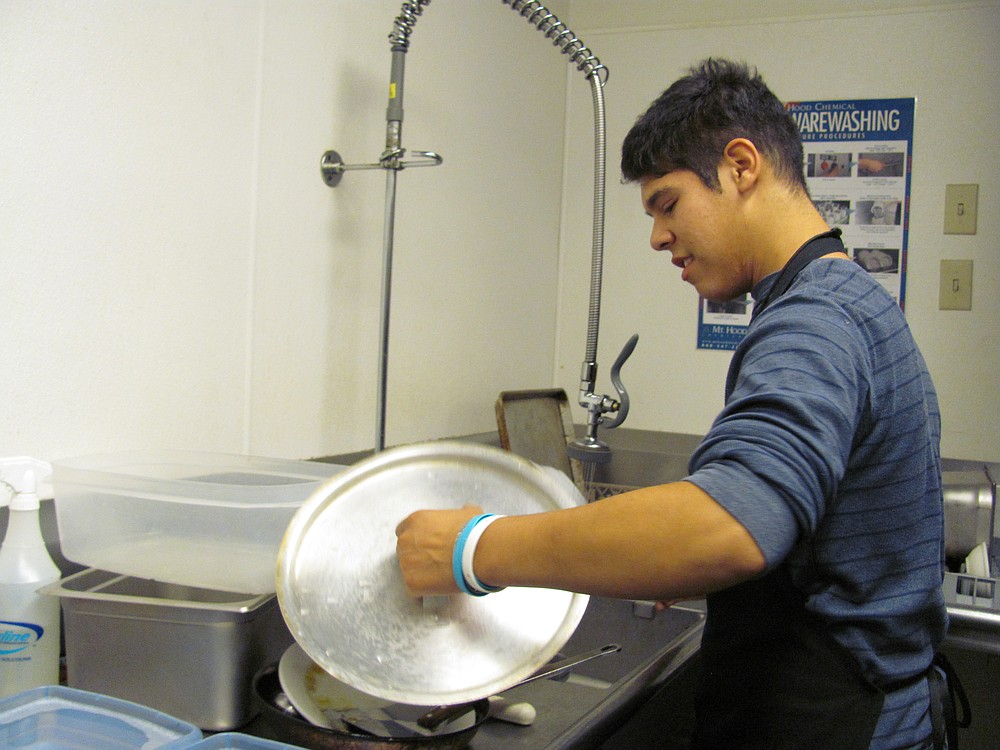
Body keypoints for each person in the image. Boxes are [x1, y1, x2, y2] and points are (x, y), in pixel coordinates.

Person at [396, 59, 948, 750]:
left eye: (667, 203)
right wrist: (657, 555)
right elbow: (798, 523)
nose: (658, 236)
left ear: (741, 165)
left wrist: (473, 548)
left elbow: (726, 526)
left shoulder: (813, 321)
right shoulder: (852, 299)